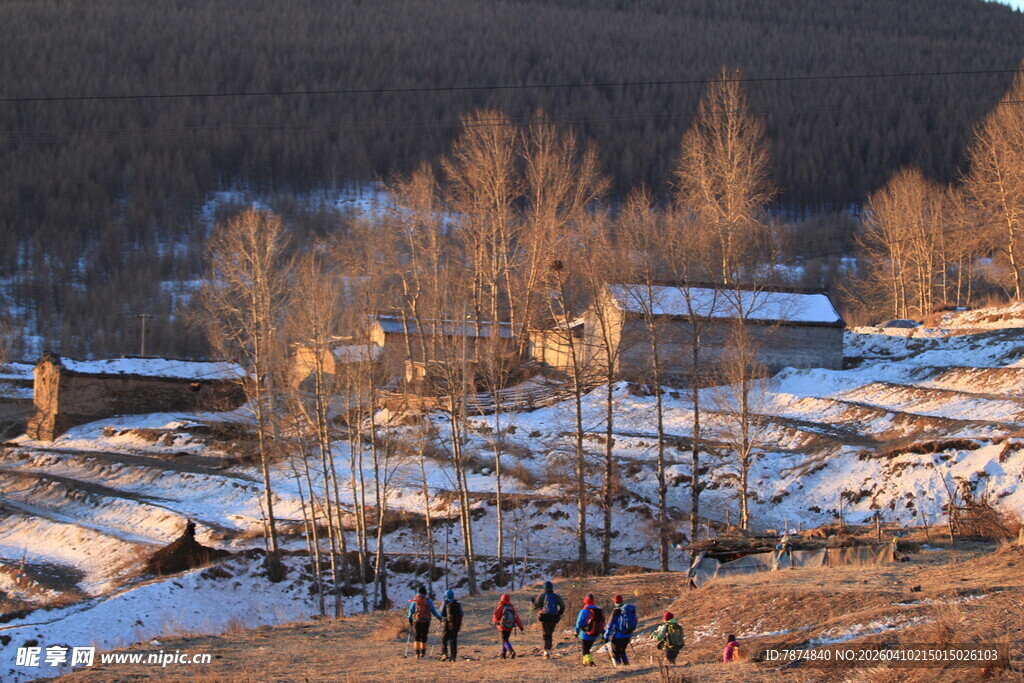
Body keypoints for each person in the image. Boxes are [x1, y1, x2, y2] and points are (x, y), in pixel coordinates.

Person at [531, 580, 566, 659]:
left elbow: (535, 607)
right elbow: (563, 606)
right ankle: (548, 650)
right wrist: (559, 614)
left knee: (546, 633)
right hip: (553, 617)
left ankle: (546, 651)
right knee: (550, 633)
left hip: (544, 617)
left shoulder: (542, 596)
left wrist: (532, 603)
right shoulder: (555, 596)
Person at [406, 586, 442, 659]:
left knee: (417, 635)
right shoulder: (428, 600)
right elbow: (433, 611)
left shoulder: (416, 600)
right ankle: (423, 652)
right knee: (424, 636)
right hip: (426, 620)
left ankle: (417, 653)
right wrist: (439, 617)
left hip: (417, 620)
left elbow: (411, 610)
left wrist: (409, 617)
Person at [602, 594, 637, 666]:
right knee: (622, 651)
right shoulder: (629, 610)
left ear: (615, 602)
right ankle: (627, 664)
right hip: (628, 635)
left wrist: (606, 636)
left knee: (615, 652)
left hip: (618, 636)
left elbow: (610, 625)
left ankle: (618, 667)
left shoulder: (616, 611)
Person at [573, 593, 605, 666]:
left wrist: (576, 631)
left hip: (585, 634)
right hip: (595, 633)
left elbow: (579, 623)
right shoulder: (597, 611)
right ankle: (584, 664)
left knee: (585, 651)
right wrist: (603, 633)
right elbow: (601, 623)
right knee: (586, 650)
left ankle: (591, 663)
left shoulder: (583, 611)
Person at [491, 594, 524, 659]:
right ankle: (503, 655)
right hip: (510, 626)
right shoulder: (511, 607)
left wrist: (495, 622)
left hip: (502, 626)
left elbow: (496, 615)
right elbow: (516, 617)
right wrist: (521, 626)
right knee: (506, 639)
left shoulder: (501, 606)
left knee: (504, 640)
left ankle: (511, 651)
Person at [439, 589, 463, 662]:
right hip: (456, 624)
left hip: (447, 623)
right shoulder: (457, 603)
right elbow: (462, 614)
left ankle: (444, 653)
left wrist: (443, 618)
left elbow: (441, 613)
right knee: (453, 640)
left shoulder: (445, 603)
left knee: (444, 638)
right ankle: (453, 657)